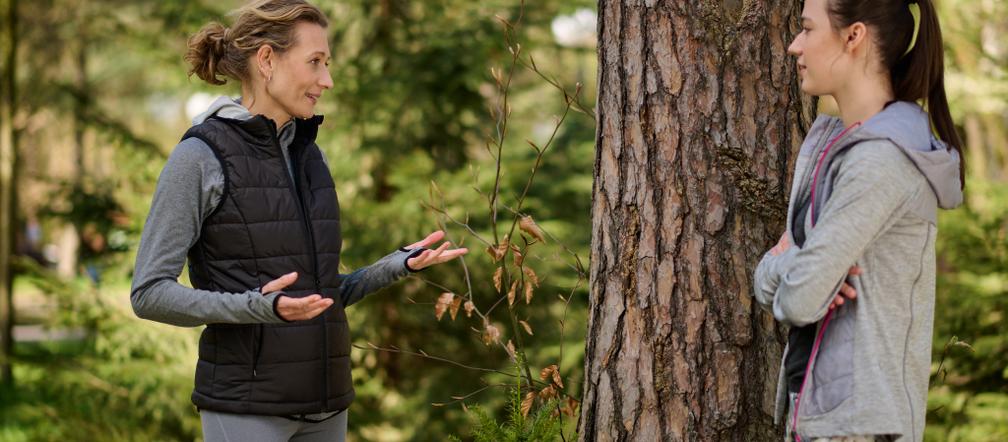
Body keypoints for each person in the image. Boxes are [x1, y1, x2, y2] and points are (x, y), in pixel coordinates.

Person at [129, 1, 467, 440]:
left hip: (327, 406)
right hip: (247, 410)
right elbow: (149, 293)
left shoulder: (307, 154)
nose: (326, 80)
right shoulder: (200, 156)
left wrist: (396, 265)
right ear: (267, 60)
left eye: (327, 64)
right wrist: (256, 306)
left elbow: (317, 297)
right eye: (315, 62)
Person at [753, 0, 963, 441]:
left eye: (807, 30)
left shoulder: (883, 161)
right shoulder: (835, 148)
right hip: (823, 420)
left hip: (860, 428)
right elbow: (775, 278)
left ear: (854, 37)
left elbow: (798, 300)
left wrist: (796, 268)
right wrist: (794, 266)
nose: (794, 46)